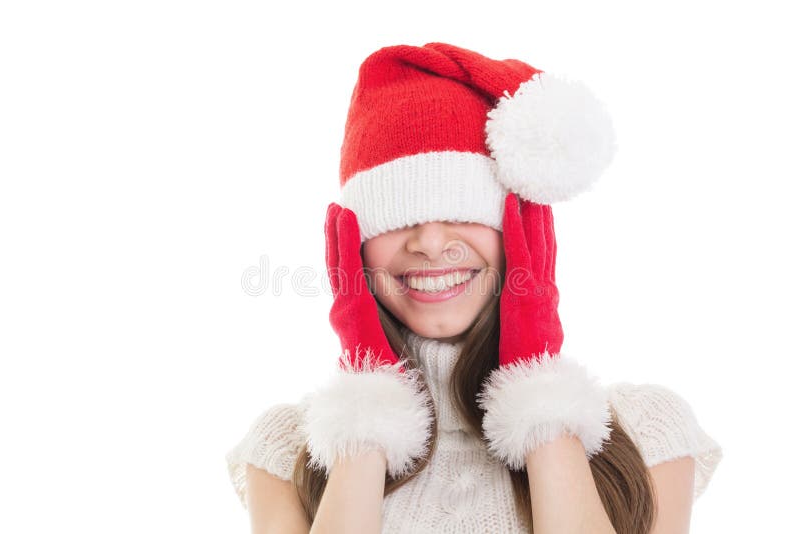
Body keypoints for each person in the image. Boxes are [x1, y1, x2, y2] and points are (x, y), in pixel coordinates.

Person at [225, 42, 723, 533]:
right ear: (353, 245)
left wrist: (537, 387)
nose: (431, 243)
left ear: (522, 230)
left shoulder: (645, 431)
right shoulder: (289, 448)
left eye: (464, 212)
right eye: (397, 218)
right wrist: (368, 403)